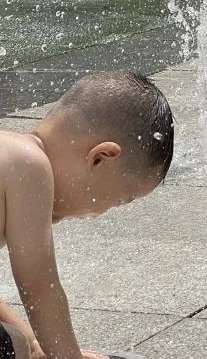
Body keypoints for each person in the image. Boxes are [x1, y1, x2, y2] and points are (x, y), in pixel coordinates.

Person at [0, 72, 174, 359]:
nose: (96, 214)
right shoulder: (29, 166)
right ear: (100, 158)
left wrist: (34, 345)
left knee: (18, 343)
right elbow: (41, 289)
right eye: (118, 200)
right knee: (11, 345)